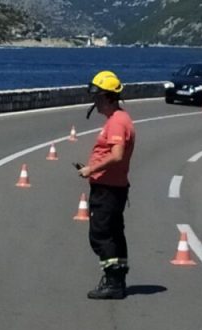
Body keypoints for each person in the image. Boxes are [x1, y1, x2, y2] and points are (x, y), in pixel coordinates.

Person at [78, 70, 135, 299]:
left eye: (98, 97)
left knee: (101, 234)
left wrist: (91, 169)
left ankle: (113, 282)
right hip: (114, 187)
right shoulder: (119, 119)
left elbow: (117, 155)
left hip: (108, 189)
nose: (96, 102)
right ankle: (118, 278)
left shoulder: (117, 123)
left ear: (109, 97)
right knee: (114, 233)